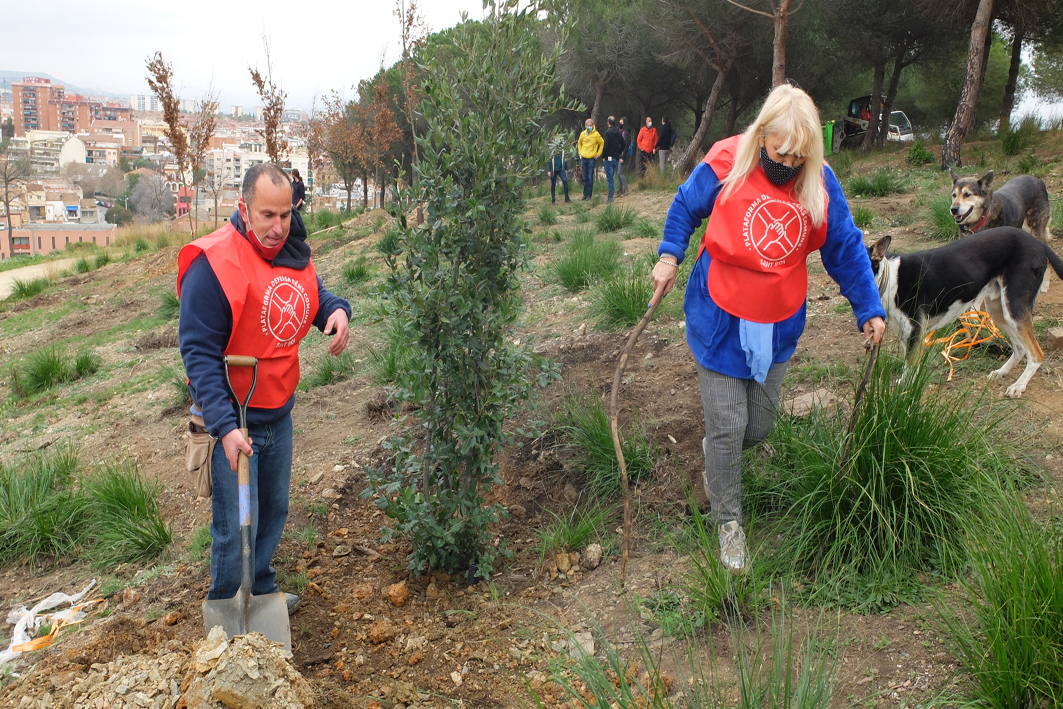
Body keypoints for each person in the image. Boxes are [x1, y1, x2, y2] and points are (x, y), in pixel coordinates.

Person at [649, 84, 885, 576]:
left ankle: (718, 457)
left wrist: (869, 307)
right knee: (730, 426)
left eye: (800, 155)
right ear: (762, 137)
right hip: (720, 317)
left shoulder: (818, 182)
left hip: (778, 325)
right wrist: (670, 255)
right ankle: (727, 522)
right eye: (780, 152)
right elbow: (685, 206)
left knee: (757, 428)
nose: (789, 163)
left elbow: (843, 245)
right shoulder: (726, 160)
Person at [178, 163, 352, 611]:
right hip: (233, 419)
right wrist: (223, 426)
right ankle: (227, 606)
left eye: (285, 215)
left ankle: (259, 591)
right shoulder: (213, 264)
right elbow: (198, 353)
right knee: (236, 523)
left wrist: (336, 311)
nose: (278, 228)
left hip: (277, 411)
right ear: (243, 209)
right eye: (267, 216)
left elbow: (310, 293)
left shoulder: (291, 250)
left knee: (272, 511)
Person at [577, 119, 604, 200]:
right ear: (585, 126)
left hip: (591, 158)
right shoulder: (583, 134)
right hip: (584, 158)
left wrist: (598, 154)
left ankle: (589, 195)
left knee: (590, 177)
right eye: (588, 126)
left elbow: (602, 143)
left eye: (591, 125)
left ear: (593, 125)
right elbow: (579, 143)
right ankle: (585, 195)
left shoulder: (596, 134)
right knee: (584, 177)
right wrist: (580, 153)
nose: (589, 127)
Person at [601, 116, 625, 202]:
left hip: (608, 158)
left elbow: (606, 146)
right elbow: (624, 144)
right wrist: (619, 152)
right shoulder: (618, 132)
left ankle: (610, 197)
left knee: (610, 178)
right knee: (612, 176)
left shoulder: (608, 132)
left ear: (608, 123)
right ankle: (611, 195)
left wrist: (603, 156)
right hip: (616, 158)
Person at [617, 117, 631, 196]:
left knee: (620, 172)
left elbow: (626, 145)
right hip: (618, 154)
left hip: (622, 155)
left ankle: (626, 188)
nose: (620, 124)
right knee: (619, 173)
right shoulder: (620, 131)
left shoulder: (626, 133)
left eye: (622, 122)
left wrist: (623, 157)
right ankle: (620, 189)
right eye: (620, 122)